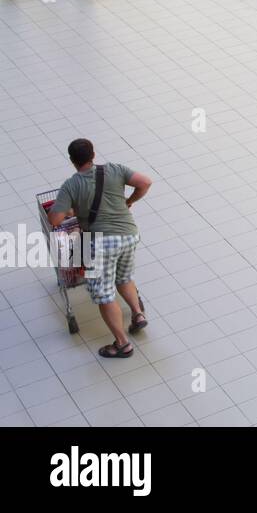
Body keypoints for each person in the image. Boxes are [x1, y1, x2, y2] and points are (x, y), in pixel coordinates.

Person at [46, 139, 152, 358]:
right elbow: (145, 182)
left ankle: (123, 345)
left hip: (101, 244)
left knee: (104, 296)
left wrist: (67, 211)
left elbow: (55, 219)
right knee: (123, 278)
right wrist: (128, 201)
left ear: (72, 161)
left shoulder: (71, 185)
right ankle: (138, 314)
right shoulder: (115, 169)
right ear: (93, 154)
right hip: (129, 235)